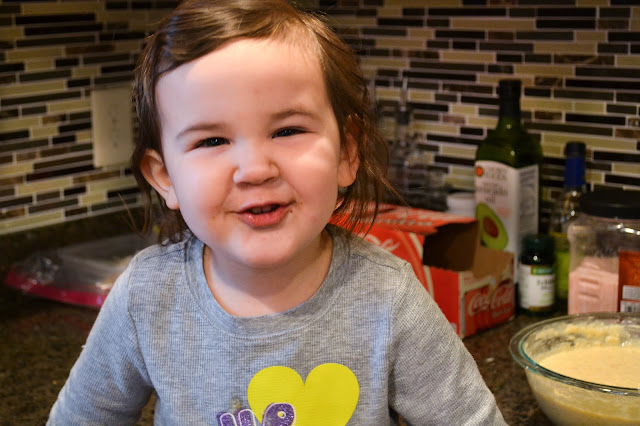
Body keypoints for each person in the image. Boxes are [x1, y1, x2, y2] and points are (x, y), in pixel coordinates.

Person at [48, 0, 506, 424]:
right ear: (165, 176)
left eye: (287, 130)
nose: (255, 170)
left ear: (347, 152)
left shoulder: (389, 298)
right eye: (212, 140)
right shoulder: (145, 298)